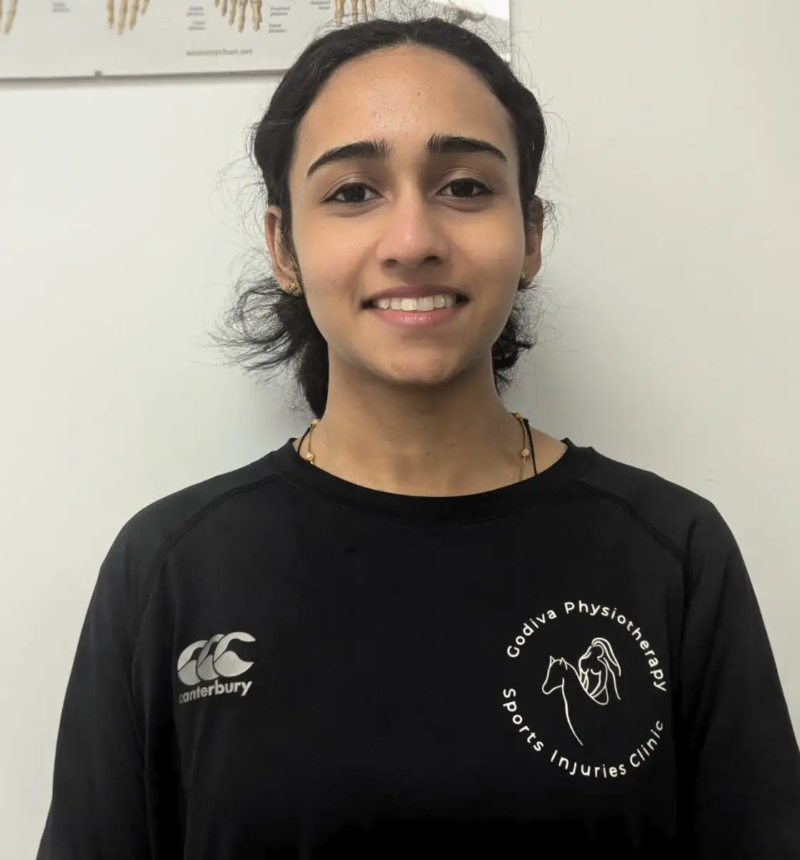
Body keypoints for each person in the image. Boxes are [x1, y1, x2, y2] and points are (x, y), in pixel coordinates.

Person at [36, 13, 800, 860]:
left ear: (531, 235)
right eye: (353, 192)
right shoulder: (170, 569)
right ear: (283, 244)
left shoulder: (672, 554)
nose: (413, 242)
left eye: (465, 187)